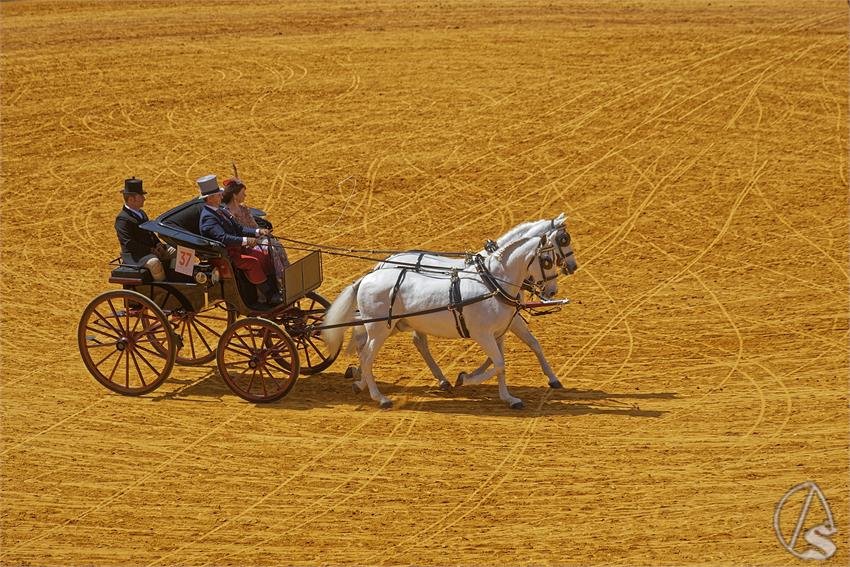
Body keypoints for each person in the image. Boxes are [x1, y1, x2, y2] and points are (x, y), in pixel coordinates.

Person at [197, 174, 281, 305]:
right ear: (210, 198)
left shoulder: (220, 211)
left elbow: (239, 228)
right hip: (227, 255)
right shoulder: (208, 218)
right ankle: (268, 295)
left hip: (238, 249)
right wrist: (246, 240)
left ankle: (274, 289)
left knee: (264, 255)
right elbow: (223, 238)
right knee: (253, 262)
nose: (221, 196)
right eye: (218, 195)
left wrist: (258, 232)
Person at [221, 177, 290, 290]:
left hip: (256, 240)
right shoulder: (227, 214)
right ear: (234, 195)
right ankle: (281, 283)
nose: (245, 195)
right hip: (244, 246)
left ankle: (288, 275)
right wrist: (252, 240)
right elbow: (236, 235)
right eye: (243, 193)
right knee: (271, 249)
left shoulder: (244, 209)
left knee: (277, 244)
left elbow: (253, 227)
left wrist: (261, 232)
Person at [114, 177, 175, 281]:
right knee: (154, 263)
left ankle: (176, 278)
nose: (144, 198)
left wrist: (158, 244)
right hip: (136, 256)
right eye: (141, 196)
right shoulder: (122, 219)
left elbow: (149, 232)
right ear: (131, 199)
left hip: (151, 250)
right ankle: (163, 287)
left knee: (178, 251)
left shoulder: (141, 213)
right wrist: (150, 250)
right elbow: (129, 243)